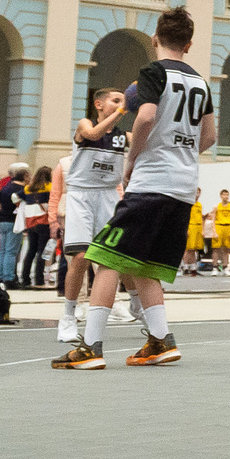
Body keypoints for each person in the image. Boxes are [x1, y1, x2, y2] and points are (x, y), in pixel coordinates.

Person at [54, 7, 209, 369]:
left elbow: (147, 116)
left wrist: (132, 159)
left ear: (155, 38)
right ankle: (160, 340)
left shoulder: (153, 73)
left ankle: (91, 346)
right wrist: (181, 154)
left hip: (151, 182)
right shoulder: (201, 82)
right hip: (184, 185)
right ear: (189, 43)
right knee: (145, 266)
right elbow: (210, 135)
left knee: (105, 259)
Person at [50, 89, 132, 350]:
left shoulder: (123, 136)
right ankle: (68, 317)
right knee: (81, 258)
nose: (121, 105)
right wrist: (123, 110)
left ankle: (135, 302)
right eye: (115, 100)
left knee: (116, 257)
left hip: (108, 195)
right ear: (99, 104)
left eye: (123, 101)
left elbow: (147, 136)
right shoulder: (85, 124)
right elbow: (94, 134)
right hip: (81, 196)